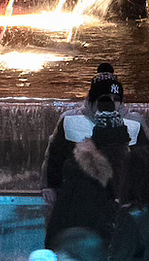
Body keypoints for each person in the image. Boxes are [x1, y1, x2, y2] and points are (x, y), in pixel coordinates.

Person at [44, 66, 143, 207]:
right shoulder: (71, 121)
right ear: (92, 99)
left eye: (116, 99)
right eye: (105, 98)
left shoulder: (134, 124)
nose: (111, 103)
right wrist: (50, 185)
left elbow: (142, 162)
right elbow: (55, 156)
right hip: (80, 197)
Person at [48, 96, 133, 247]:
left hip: (65, 251)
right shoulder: (110, 177)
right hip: (86, 253)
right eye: (124, 144)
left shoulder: (76, 170)